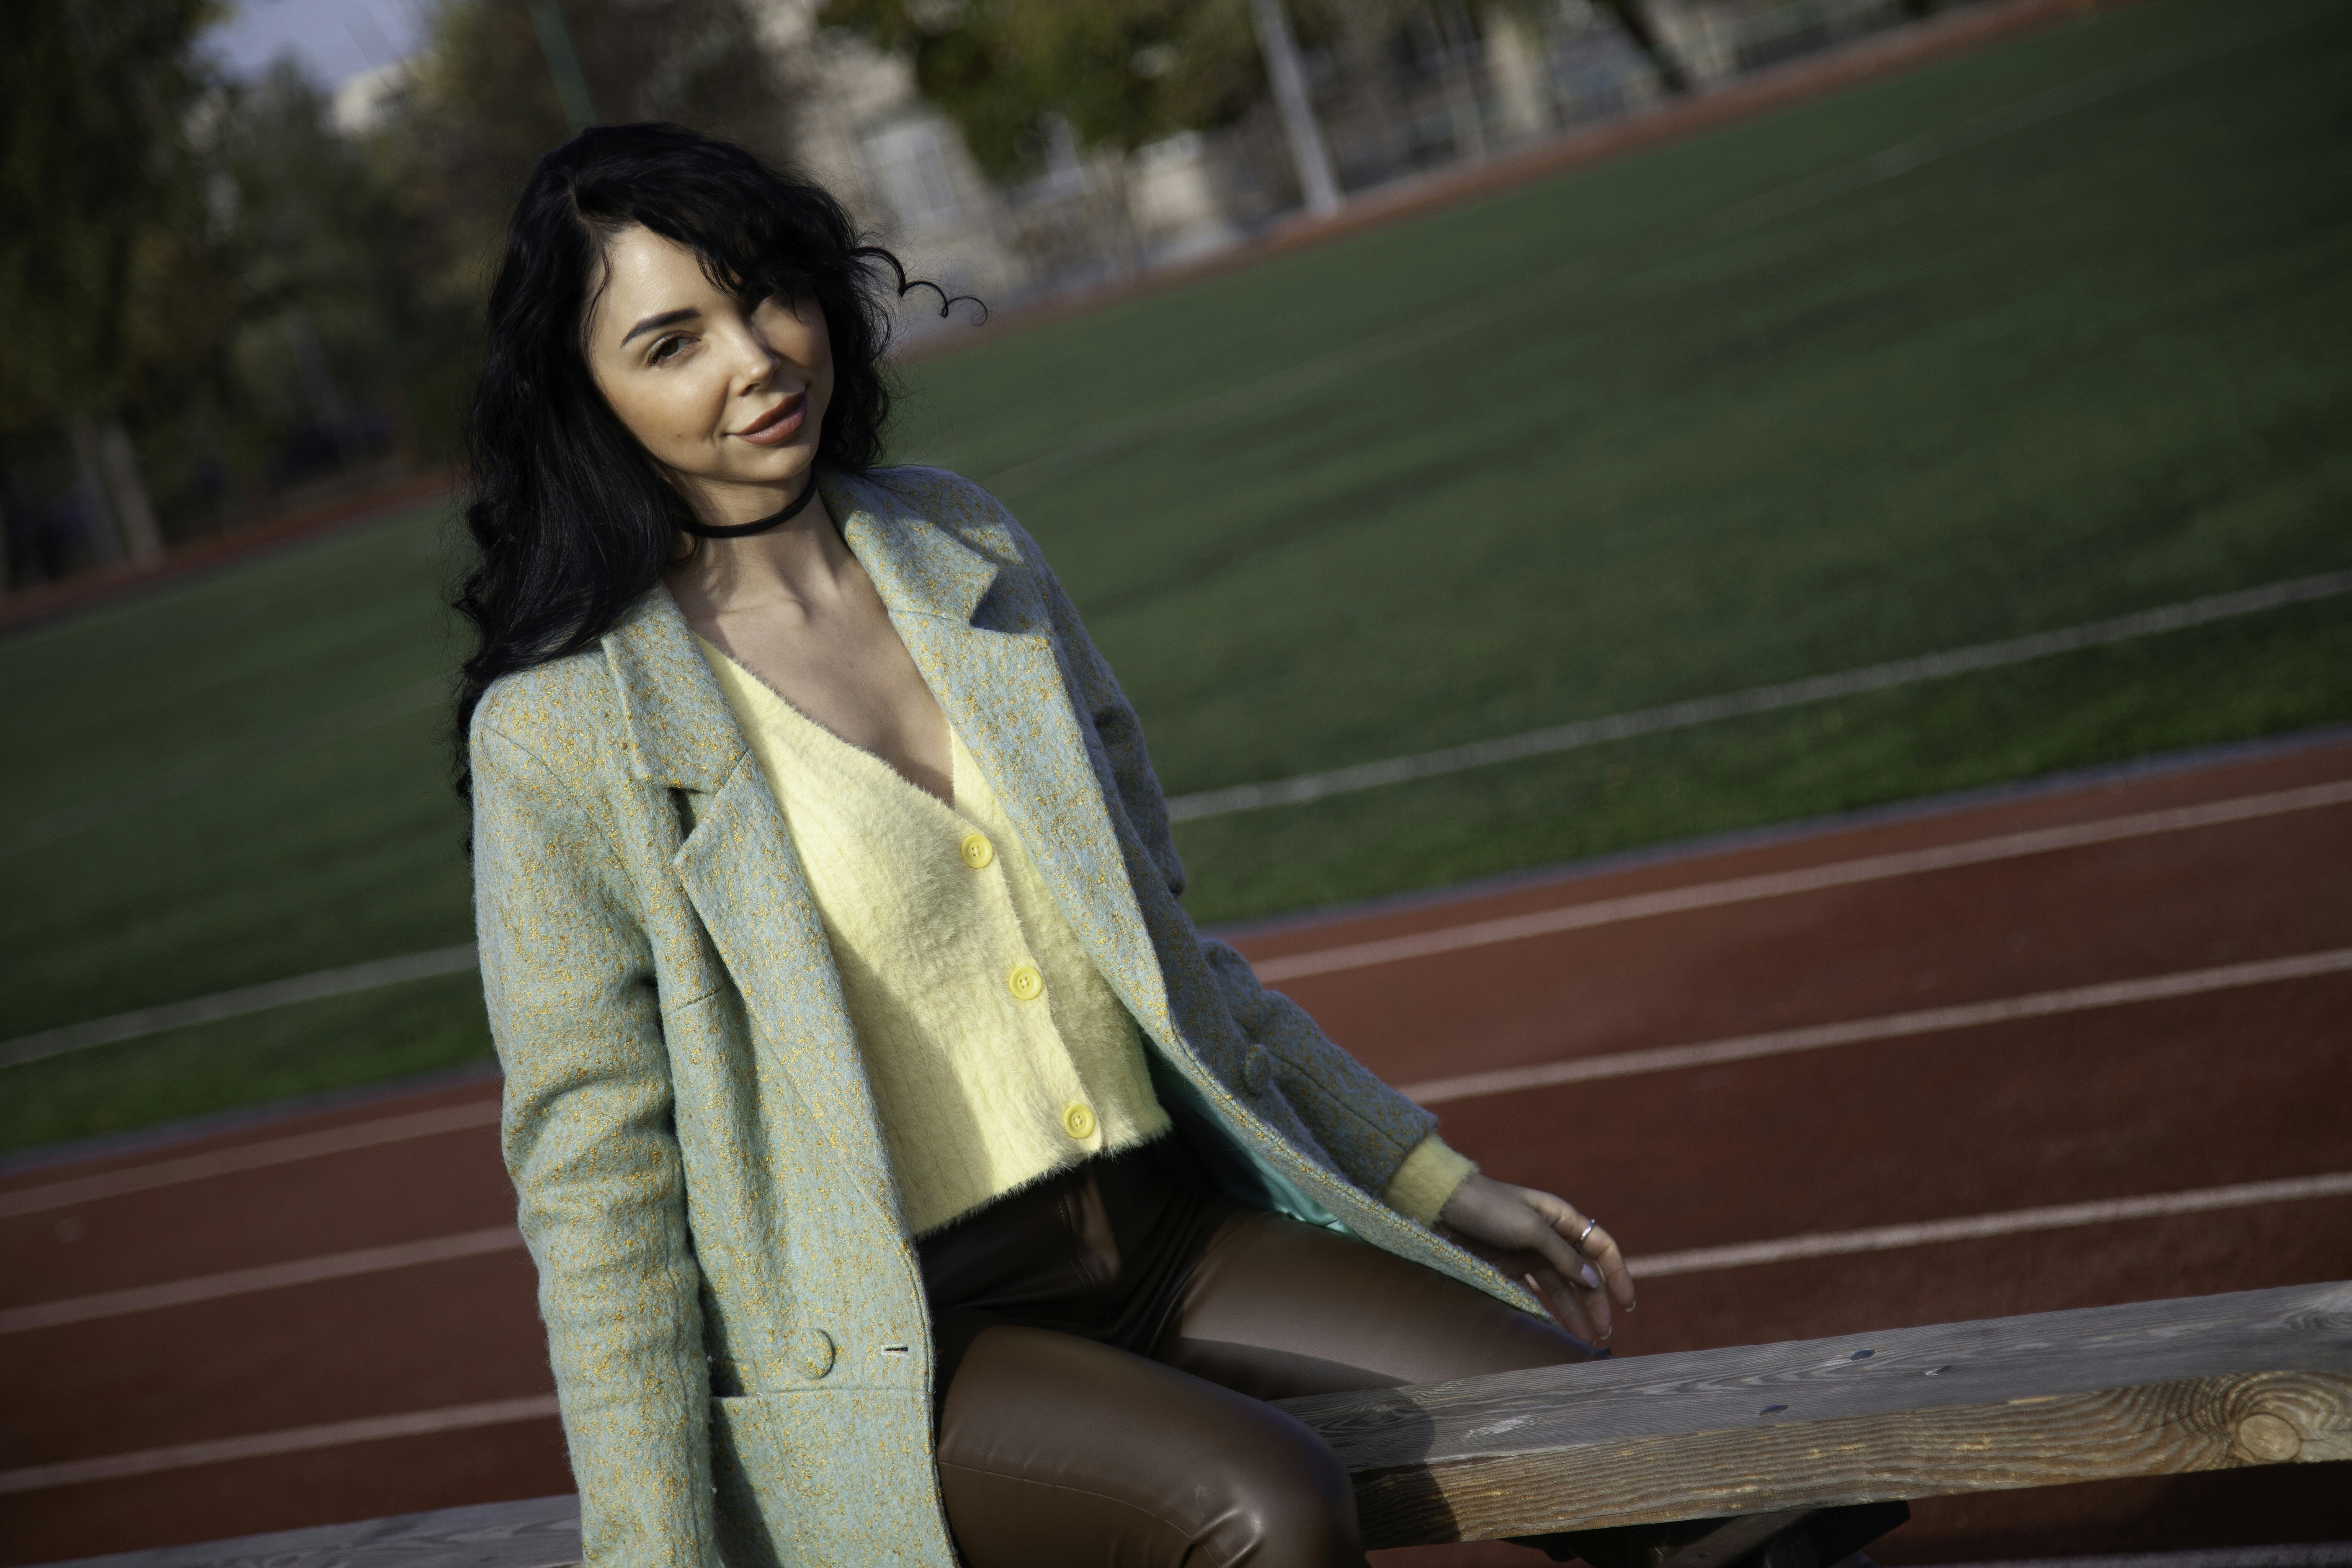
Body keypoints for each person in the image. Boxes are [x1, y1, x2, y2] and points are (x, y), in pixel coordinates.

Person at [457, 122, 1636, 1568]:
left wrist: (1435, 1182)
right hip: (920, 1345)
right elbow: (599, 1194)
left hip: (1174, 1235)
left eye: (765, 292)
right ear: (589, 398)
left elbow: (1173, 957)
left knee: (1645, 1448)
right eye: (670, 340)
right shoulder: (563, 732)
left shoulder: (970, 549)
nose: (755, 358)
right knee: (1264, 1511)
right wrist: (652, 1553)